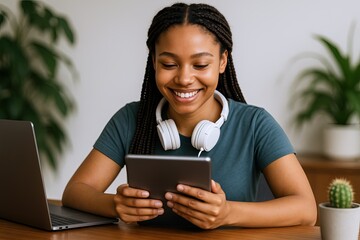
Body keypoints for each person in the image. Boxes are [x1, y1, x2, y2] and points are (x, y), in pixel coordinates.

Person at [62, 2, 317, 229]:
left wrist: (228, 213)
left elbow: (306, 209)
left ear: (222, 61)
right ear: (154, 62)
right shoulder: (131, 118)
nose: (184, 79)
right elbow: (75, 192)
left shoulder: (255, 124)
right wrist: (115, 205)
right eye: (169, 64)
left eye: (201, 65)